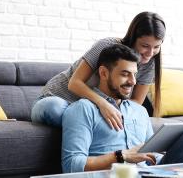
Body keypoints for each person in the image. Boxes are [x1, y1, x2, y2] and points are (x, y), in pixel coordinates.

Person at [61, 45, 183, 173]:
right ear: (104, 73)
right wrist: (122, 156)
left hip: (150, 172)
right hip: (117, 174)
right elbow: (71, 165)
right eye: (125, 74)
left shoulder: (138, 111)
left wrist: (165, 154)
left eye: (135, 74)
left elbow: (150, 155)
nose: (133, 82)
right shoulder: (82, 109)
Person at [31, 11, 165, 129]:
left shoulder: (150, 63)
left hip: (89, 112)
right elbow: (74, 83)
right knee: (55, 109)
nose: (150, 52)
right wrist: (104, 105)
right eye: (145, 46)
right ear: (133, 38)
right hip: (57, 100)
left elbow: (136, 103)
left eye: (156, 47)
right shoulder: (107, 46)